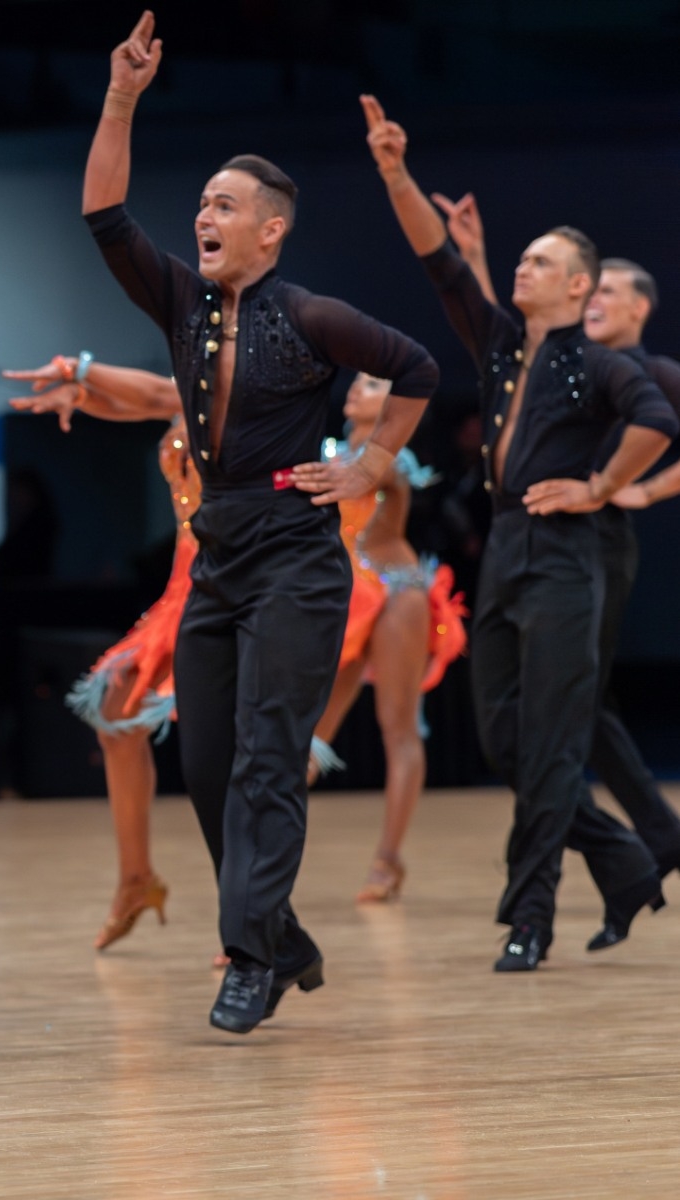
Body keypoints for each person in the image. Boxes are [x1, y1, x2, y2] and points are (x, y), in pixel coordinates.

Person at [84, 14, 439, 1034]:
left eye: (225, 205)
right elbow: (105, 213)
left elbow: (416, 367)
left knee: (268, 760)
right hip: (220, 554)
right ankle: (280, 936)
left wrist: (370, 461)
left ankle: (248, 958)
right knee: (204, 766)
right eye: (202, 203)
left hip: (297, 554)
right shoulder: (181, 303)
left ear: (269, 231)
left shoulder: (313, 315)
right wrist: (121, 98)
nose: (204, 214)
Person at [363, 96, 675, 969]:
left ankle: (529, 919)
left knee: (550, 747)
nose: (523, 268)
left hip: (567, 559)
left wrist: (602, 486)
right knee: (503, 739)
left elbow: (657, 420)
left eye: (541, 262)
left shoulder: (602, 364)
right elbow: (440, 264)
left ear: (579, 287)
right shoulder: (503, 347)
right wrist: (395, 173)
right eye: (523, 258)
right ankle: (624, 859)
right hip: (505, 549)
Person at [436, 207, 680, 885]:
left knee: (576, 705)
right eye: (593, 291)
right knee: (564, 709)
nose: (595, 300)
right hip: (537, 538)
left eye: (607, 291)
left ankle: (605, 849)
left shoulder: (647, 371)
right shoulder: (561, 361)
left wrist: (634, 489)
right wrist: (476, 259)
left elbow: (656, 429)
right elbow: (505, 345)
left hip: (593, 540)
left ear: (638, 306)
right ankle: (644, 839)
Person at [4, 354, 198, 951]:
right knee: (116, 711)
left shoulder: (227, 391)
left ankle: (255, 915)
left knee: (235, 749)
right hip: (185, 587)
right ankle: (136, 879)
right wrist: (84, 396)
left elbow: (158, 395)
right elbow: (150, 400)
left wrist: (83, 372)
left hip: (238, 584)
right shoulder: (189, 393)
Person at [303, 373, 468, 903]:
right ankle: (268, 852)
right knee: (311, 730)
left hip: (397, 593)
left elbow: (381, 477)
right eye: (356, 382)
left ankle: (388, 860)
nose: (356, 389)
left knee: (398, 727)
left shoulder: (391, 460)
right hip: (349, 600)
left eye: (373, 385)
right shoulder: (329, 451)